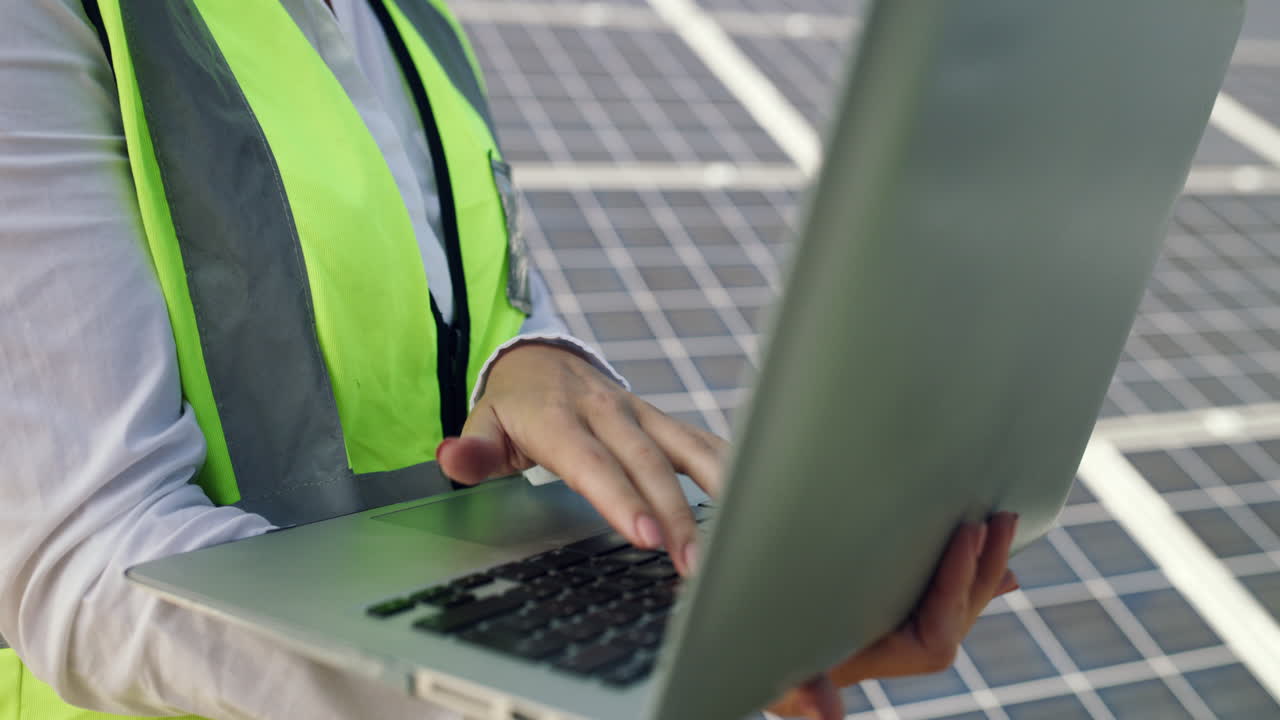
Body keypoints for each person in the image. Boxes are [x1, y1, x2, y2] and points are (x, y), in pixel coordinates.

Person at [0, 1, 1018, 718]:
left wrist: (531, 352)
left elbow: (461, 291)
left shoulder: (407, 18)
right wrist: (527, 696)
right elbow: (82, 559)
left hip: (467, 631)